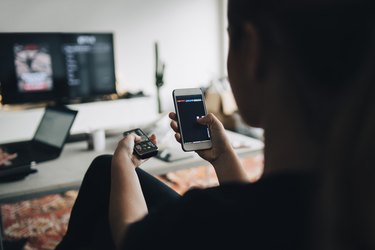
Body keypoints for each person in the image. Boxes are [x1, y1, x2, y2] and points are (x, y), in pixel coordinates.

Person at [55, 1, 375, 249]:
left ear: (253, 51)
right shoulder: (347, 195)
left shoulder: (207, 221)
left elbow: (132, 237)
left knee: (105, 176)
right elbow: (263, 212)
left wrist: (123, 162)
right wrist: (223, 158)